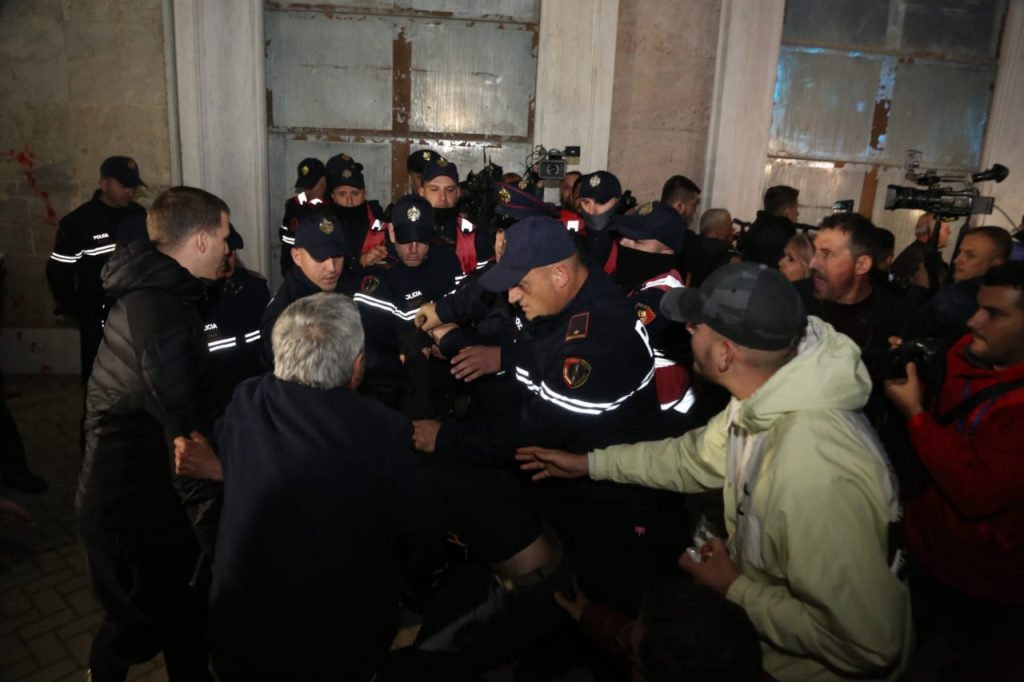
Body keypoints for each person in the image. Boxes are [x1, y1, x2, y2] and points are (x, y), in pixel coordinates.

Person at [518, 262, 912, 682]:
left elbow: (869, 643)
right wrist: (590, 463)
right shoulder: (768, 394)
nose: (688, 330)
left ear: (726, 354)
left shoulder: (814, 473)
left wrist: (733, 588)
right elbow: (693, 458)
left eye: (697, 326)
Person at [410, 217, 674, 673]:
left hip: (609, 507)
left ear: (559, 275)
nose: (513, 298)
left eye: (521, 286)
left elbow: (528, 431)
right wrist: (485, 345)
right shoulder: (573, 296)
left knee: (598, 622)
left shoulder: (595, 342)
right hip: (566, 484)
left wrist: (445, 437)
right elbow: (536, 355)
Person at [175, 292, 444, 682]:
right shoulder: (382, 430)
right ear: (357, 366)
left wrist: (221, 470)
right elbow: (424, 532)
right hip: (333, 646)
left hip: (239, 636)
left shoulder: (247, 401)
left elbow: (267, 470)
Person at [76, 186, 231, 682]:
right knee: (136, 626)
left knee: (176, 616)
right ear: (202, 240)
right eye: (224, 237)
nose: (228, 248)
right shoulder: (162, 315)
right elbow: (187, 442)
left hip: (143, 495)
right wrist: (218, 539)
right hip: (129, 507)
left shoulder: (161, 295)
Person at [885, 261, 1024, 679]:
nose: (973, 321)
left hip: (983, 585)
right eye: (979, 306)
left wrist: (915, 414)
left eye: (994, 313)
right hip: (925, 552)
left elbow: (977, 491)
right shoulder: (966, 351)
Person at [47, 156, 147, 383]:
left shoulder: (139, 216)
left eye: (133, 186)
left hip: (136, 313)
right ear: (103, 184)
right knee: (100, 379)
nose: (130, 191)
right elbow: (58, 272)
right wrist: (79, 310)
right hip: (98, 317)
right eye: (123, 185)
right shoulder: (79, 222)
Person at [799, 212, 916, 354]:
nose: (813, 263)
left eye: (827, 254)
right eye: (814, 252)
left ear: (862, 265)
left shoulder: (896, 316)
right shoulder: (793, 300)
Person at [260, 210, 353, 368]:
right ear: (297, 257)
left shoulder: (349, 284)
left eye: (337, 255)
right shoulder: (282, 318)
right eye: (320, 257)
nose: (331, 267)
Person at [203, 224, 270, 405]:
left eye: (231, 253)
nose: (227, 260)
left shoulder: (256, 288)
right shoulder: (196, 295)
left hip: (256, 388)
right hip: (217, 394)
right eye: (222, 254)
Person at [913, 225, 1011, 348]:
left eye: (970, 256)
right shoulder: (1006, 298)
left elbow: (911, 329)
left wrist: (919, 290)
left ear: (996, 263)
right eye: (960, 252)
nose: (957, 260)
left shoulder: (954, 297)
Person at [417, 157, 493, 274]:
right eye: (434, 189)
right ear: (421, 192)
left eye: (450, 190)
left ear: (458, 193)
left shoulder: (475, 236)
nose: (443, 197)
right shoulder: (408, 232)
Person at [324, 154, 388, 269]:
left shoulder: (379, 221)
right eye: (342, 194)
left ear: (365, 194)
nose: (349, 201)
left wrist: (377, 258)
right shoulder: (322, 223)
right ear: (333, 196)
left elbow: (391, 260)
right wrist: (359, 261)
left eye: (355, 193)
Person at [278, 157, 327, 278]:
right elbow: (286, 241)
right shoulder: (293, 205)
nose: (308, 192)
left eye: (312, 186)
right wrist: (288, 272)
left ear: (324, 180)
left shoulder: (332, 206)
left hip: (324, 273)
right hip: (296, 273)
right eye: (305, 187)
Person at [660, 174, 709, 284]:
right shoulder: (687, 239)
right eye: (694, 205)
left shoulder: (639, 230)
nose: (694, 212)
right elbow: (703, 280)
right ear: (679, 206)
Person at [889, 212, 950, 290]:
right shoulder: (917, 257)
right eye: (946, 230)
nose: (949, 232)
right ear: (933, 231)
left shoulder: (920, 252)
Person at [742, 185, 799, 267]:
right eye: (796, 209)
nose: (798, 213)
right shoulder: (786, 238)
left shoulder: (756, 227)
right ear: (787, 212)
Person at [698, 208, 737, 274]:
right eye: (730, 226)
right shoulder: (727, 256)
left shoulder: (692, 246)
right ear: (719, 231)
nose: (733, 230)